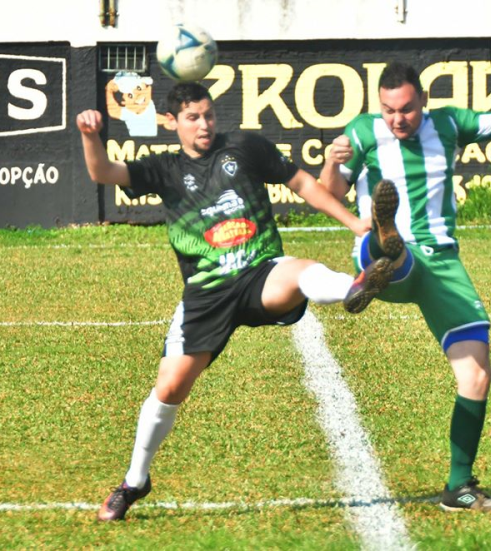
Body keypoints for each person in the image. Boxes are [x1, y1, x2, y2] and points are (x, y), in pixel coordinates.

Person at [77, 82, 394, 521]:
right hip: (206, 295)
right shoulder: (164, 169)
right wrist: (91, 136)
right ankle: (134, 481)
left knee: (299, 273)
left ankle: (355, 287)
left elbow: (301, 182)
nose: (204, 124)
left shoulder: (244, 147)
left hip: (259, 271)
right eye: (192, 118)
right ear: (172, 123)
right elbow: (103, 173)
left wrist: (357, 224)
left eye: (208, 115)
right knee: (169, 390)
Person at [320, 44, 491, 512]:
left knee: (476, 372)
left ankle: (460, 487)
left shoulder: (450, 123)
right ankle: (382, 247)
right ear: (380, 107)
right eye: (389, 110)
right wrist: (334, 161)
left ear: (424, 102)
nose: (398, 119)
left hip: (443, 263)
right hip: (383, 250)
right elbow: (327, 192)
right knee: (395, 253)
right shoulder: (362, 132)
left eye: (407, 109)